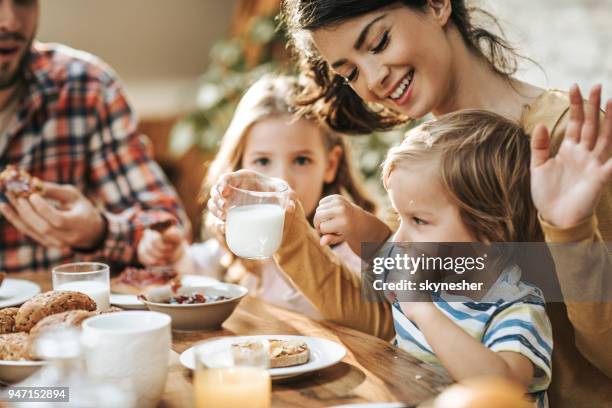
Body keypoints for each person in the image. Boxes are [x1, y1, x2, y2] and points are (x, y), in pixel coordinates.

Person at [212, 1, 612, 405]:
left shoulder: (569, 142)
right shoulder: (424, 155)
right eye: (349, 72)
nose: (373, 81)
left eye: (379, 42)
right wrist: (289, 225)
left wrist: (572, 232)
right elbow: (386, 317)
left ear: (437, 5)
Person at [136, 75, 375, 318]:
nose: (281, 180)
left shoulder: (352, 249)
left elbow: (369, 316)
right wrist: (173, 254)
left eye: (301, 160)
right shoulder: (238, 244)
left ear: (330, 165)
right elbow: (199, 269)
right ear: (240, 167)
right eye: (262, 161)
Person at [0, 0, 189, 272]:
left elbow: (169, 227)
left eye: (24, 1)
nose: (11, 22)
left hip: (66, 312)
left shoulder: (87, 88)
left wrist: (99, 231)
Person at [383, 111, 553, 406]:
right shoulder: (426, 273)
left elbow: (502, 385)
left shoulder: (515, 309)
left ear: (488, 230)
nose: (399, 239)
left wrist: (422, 311)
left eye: (419, 221)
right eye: (400, 217)